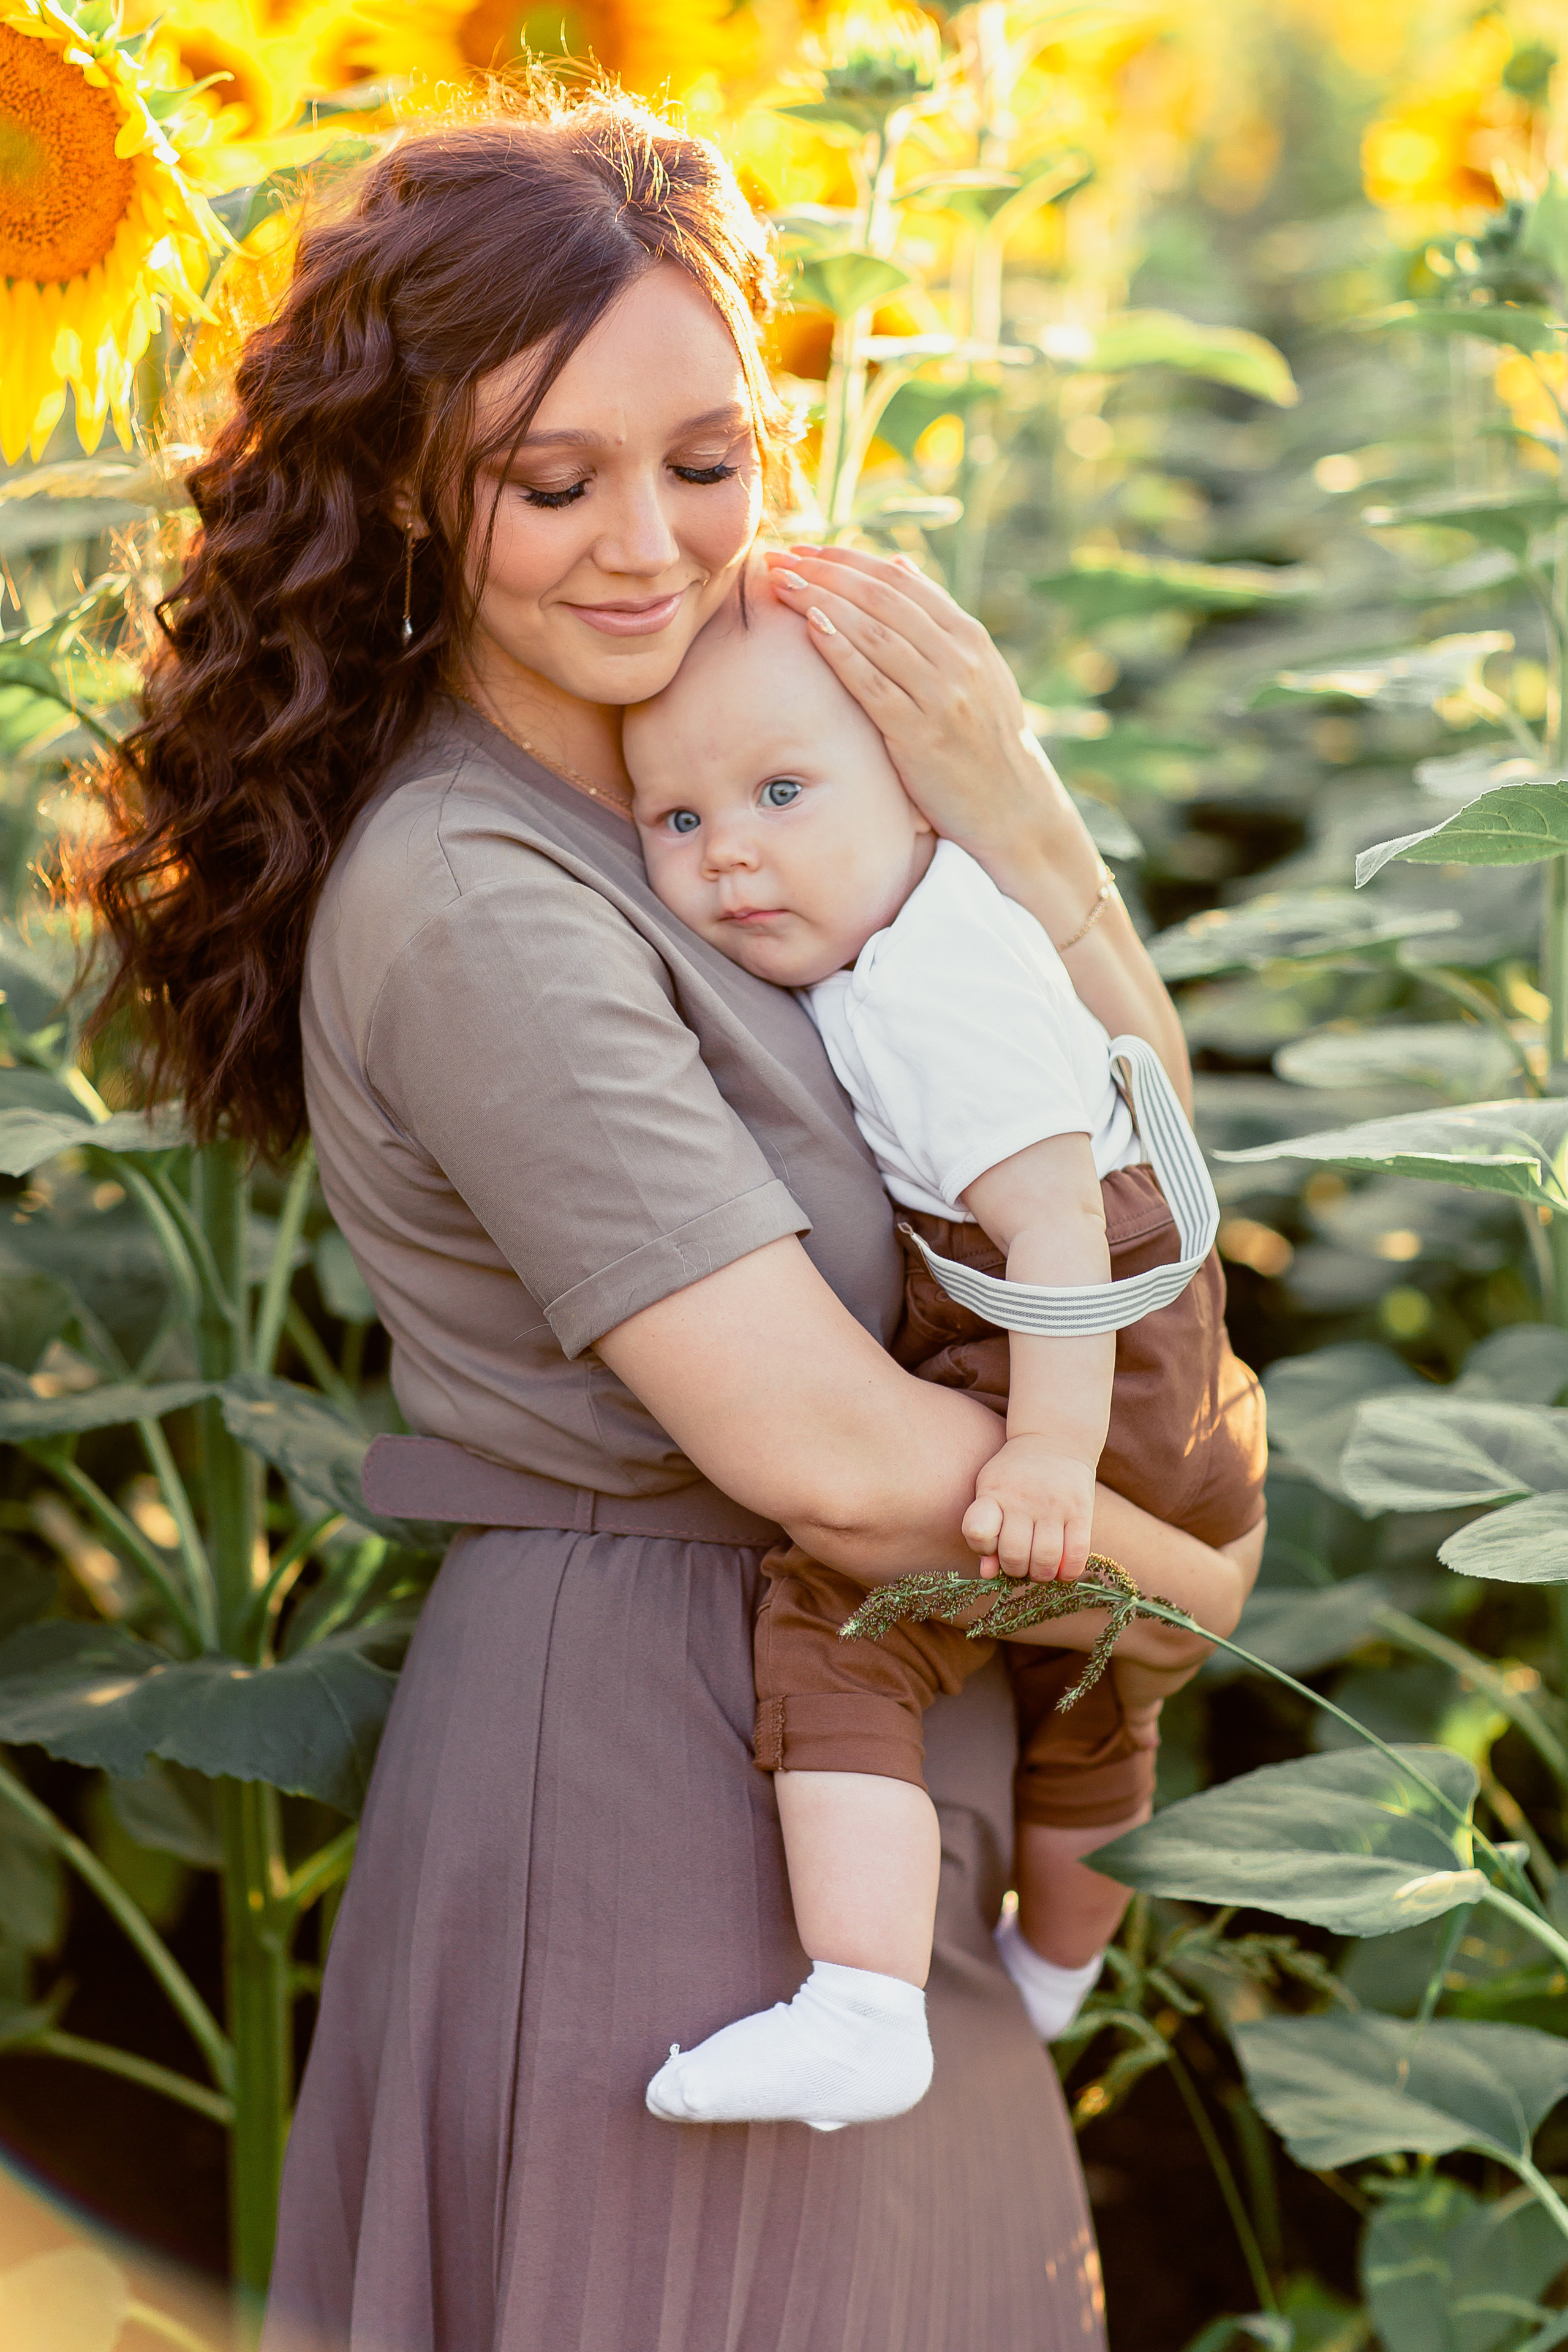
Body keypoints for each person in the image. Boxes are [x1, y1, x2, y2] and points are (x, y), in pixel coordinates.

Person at [88, 82, 1253, 2352]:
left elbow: (1119, 1192)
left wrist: (1011, 807)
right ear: (413, 481)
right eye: (554, 480)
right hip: (664, 1781)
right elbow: (819, 1446)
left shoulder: (737, 780)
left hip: (888, 1725)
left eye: (707, 461)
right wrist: (1188, 1574)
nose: (649, 544)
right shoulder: (480, 892)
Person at [622, 594, 1267, 2133]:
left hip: (1073, 1369)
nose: (729, 852)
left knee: (846, 1621)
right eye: (677, 815)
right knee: (1097, 1711)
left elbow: (1053, 1235)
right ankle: (1054, 1979)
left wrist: (1043, 1459)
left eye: (783, 794)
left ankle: (862, 2001)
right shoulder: (913, 930)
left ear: (912, 790)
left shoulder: (928, 981)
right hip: (1153, 1387)